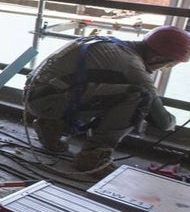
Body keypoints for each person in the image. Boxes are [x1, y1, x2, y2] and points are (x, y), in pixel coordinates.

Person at [23, 26, 190, 168]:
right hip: (48, 102)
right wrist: (173, 124)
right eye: (168, 65)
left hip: (37, 97)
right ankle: (93, 156)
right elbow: (161, 121)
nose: (164, 69)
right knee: (139, 96)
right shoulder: (131, 65)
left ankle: (52, 126)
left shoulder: (109, 42)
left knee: (107, 92)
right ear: (156, 57)